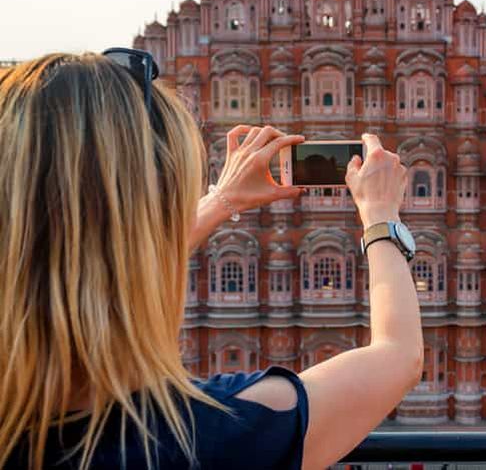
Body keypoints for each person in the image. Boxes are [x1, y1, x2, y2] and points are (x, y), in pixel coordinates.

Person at [0, 52, 424, 469]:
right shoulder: (205, 436)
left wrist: (223, 198)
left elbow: (98, 261)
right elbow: (398, 357)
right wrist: (381, 214)